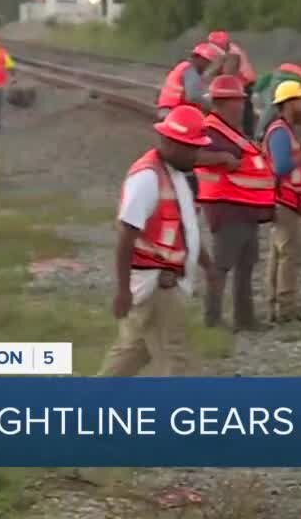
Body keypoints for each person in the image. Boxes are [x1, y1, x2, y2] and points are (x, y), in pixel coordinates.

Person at [99, 105, 222, 376]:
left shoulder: (175, 174)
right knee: (178, 361)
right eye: (191, 149)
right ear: (170, 143)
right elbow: (125, 235)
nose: (196, 155)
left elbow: (185, 228)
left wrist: (207, 265)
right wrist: (122, 290)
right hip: (156, 286)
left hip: (162, 283)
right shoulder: (147, 178)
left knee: (131, 352)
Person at [195, 76, 275, 332]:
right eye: (235, 101)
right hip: (227, 207)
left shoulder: (230, 129)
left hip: (246, 207)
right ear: (220, 102)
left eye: (241, 101)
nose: (241, 106)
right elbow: (195, 156)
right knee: (222, 265)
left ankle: (245, 318)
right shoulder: (211, 129)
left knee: (246, 265)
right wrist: (222, 158)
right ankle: (213, 320)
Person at [263, 81, 301, 322]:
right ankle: (286, 308)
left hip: (285, 200)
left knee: (279, 252)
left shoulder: (284, 130)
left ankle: (275, 304)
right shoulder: (280, 132)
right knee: (289, 253)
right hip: (284, 201)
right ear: (290, 104)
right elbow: (281, 166)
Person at [206, 30, 259, 136]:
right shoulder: (229, 50)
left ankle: (247, 136)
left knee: (242, 110)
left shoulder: (233, 54)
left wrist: (213, 79)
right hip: (241, 82)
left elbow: (228, 75)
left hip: (244, 82)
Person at [156, 43, 225, 119]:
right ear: (200, 58)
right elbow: (193, 96)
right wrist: (215, 108)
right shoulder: (190, 70)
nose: (208, 66)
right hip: (174, 111)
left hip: (169, 109)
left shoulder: (184, 67)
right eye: (208, 62)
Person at [255, 62, 301, 143]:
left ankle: (259, 132)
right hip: (290, 84)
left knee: (271, 107)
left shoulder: (290, 67)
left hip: (278, 79)